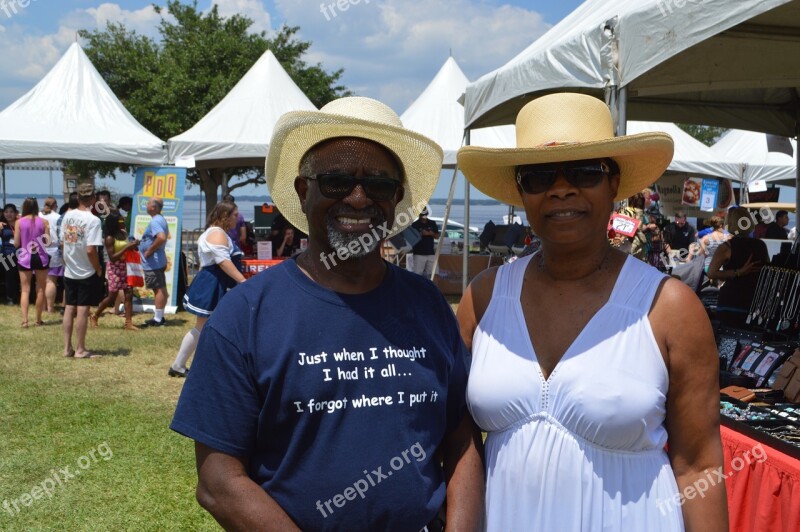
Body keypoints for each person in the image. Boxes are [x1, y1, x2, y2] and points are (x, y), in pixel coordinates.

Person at [170, 96, 483, 530]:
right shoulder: (246, 314)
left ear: (396, 198)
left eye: (377, 184)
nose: (358, 199)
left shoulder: (426, 304)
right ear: (303, 191)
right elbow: (219, 482)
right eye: (336, 181)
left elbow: (462, 439)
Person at [456, 93, 726, 531]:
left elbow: (699, 467)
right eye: (540, 176)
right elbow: (455, 441)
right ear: (522, 191)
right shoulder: (484, 297)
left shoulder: (669, 307)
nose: (562, 188)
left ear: (614, 184)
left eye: (584, 172)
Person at [169, 201, 246, 378]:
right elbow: (224, 262)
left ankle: (179, 365)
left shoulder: (217, 232)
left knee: (206, 328)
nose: (238, 218)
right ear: (225, 216)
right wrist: (243, 281)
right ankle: (181, 365)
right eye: (235, 215)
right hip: (213, 284)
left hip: (215, 283)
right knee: (205, 328)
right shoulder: (217, 234)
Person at [61, 183, 104, 359]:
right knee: (82, 310)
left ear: (78, 198)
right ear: (93, 199)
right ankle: (80, 348)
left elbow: (63, 242)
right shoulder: (93, 220)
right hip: (86, 269)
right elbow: (90, 250)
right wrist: (98, 268)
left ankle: (66, 348)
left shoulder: (67, 216)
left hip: (69, 268)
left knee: (69, 307)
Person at [707, 207, 770, 328]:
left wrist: (737, 272)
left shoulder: (726, 247)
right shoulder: (761, 245)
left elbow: (711, 273)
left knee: (727, 340)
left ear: (729, 223)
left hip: (731, 301)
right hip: (754, 301)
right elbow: (767, 271)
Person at [90, 213, 140, 331]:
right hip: (115, 267)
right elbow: (112, 257)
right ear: (114, 223)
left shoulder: (124, 234)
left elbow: (128, 247)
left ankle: (128, 322)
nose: (123, 223)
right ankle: (95, 315)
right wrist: (127, 248)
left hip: (126, 265)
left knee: (129, 294)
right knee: (112, 296)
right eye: (120, 221)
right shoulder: (109, 238)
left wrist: (134, 246)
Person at [15, 197, 50, 328]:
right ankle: (38, 319)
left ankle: (25, 321)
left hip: (25, 257)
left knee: (25, 290)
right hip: (41, 257)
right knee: (40, 289)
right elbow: (48, 242)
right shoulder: (44, 221)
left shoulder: (19, 222)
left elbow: (17, 242)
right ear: (36, 207)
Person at [139, 198, 169, 327]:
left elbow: (161, 237)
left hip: (154, 261)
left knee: (158, 289)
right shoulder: (159, 219)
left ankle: (158, 319)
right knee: (160, 287)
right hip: (156, 261)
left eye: (147, 204)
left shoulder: (156, 221)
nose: (145, 206)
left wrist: (149, 250)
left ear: (153, 208)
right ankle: (159, 316)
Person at [40, 197, 63, 313]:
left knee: (40, 281)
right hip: (53, 249)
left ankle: (42, 306)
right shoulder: (58, 217)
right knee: (51, 281)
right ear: (55, 205)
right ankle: (50, 307)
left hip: (38, 249)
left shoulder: (38, 216)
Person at [410, 207, 440, 276]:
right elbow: (411, 239)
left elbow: (437, 236)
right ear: (419, 215)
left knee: (434, 274)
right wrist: (421, 234)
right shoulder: (415, 225)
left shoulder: (432, 223)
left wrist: (431, 233)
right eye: (423, 215)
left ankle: (434, 286)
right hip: (419, 253)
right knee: (417, 274)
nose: (424, 216)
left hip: (431, 252)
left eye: (425, 214)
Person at [1, 203, 20, 305]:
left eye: (11, 212)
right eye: (6, 212)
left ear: (15, 213)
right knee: (10, 276)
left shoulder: (20, 223)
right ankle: (11, 298)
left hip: (21, 253)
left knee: (21, 276)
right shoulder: (2, 225)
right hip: (7, 254)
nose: (9, 214)